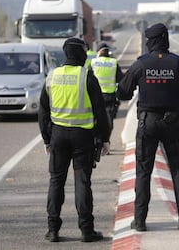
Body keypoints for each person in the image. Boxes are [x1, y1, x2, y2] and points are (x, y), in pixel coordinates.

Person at [117, 23, 179, 232]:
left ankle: (140, 220)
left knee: (143, 171)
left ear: (151, 41)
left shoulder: (142, 64)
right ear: (165, 39)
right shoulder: (177, 64)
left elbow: (124, 93)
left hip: (147, 122)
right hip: (172, 122)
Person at [38, 37, 111, 243]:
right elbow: (101, 111)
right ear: (80, 54)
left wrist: (46, 139)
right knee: (82, 182)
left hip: (58, 137)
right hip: (83, 138)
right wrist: (104, 138)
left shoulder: (52, 76)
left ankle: (53, 230)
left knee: (56, 182)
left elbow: (43, 111)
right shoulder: (86, 76)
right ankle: (87, 231)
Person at [90, 43, 124, 133]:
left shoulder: (93, 62)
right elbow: (121, 79)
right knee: (109, 119)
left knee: (95, 118)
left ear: (99, 52)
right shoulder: (113, 62)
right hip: (110, 96)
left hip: (96, 96)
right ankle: (106, 139)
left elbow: (88, 78)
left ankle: (97, 139)